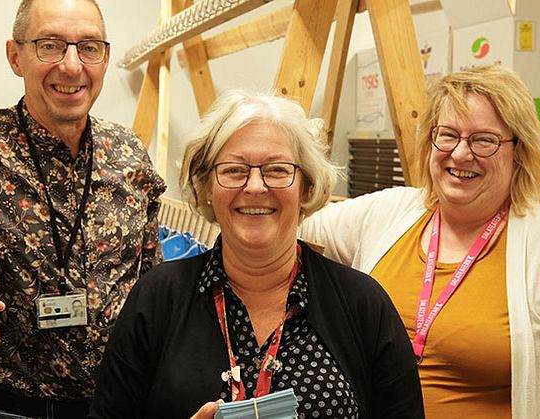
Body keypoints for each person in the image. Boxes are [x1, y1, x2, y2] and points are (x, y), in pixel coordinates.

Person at [299, 64, 540, 418]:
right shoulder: (388, 214)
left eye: (484, 140)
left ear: (518, 151)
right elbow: (291, 235)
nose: (460, 154)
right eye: (447, 135)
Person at [0, 0, 165, 417]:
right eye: (50, 45)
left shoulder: (128, 152)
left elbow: (153, 283)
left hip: (127, 405)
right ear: (15, 56)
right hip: (19, 409)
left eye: (88, 47)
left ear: (105, 58)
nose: (72, 67)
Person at [89, 91, 424, 418]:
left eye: (277, 170)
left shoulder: (362, 304)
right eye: (234, 170)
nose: (255, 187)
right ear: (207, 186)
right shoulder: (157, 298)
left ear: (305, 186)